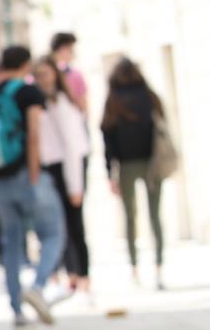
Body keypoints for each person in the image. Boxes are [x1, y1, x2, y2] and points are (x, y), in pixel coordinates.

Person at [0, 45, 66, 327]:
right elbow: (33, 135)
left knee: (11, 243)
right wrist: (33, 174)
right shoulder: (27, 92)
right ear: (25, 64)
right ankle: (38, 287)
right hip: (25, 175)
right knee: (52, 233)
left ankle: (16, 309)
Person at [101, 58, 168, 289]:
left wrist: (110, 172)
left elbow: (107, 138)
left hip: (127, 165)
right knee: (155, 216)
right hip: (152, 162)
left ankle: (134, 268)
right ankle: (158, 268)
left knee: (130, 217)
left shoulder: (113, 100)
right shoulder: (148, 96)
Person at [32, 57, 91, 295]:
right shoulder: (39, 104)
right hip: (49, 169)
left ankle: (83, 275)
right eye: (38, 75)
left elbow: (72, 147)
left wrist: (75, 185)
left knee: (75, 224)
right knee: (58, 225)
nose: (43, 80)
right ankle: (71, 273)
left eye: (46, 74)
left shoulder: (62, 102)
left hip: (67, 167)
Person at [50, 32, 90, 115]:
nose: (73, 52)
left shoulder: (45, 72)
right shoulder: (74, 74)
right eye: (71, 49)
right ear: (63, 48)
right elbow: (82, 104)